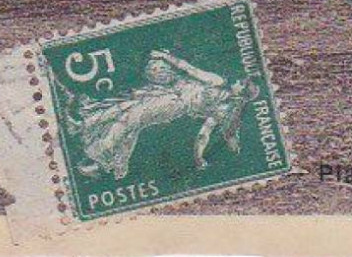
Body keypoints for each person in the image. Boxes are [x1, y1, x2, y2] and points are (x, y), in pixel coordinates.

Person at [63, 48, 260, 181]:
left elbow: (188, 69)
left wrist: (165, 57)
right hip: (170, 94)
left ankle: (97, 157)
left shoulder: (217, 82)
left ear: (240, 92)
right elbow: (203, 135)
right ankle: (86, 129)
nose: (237, 81)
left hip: (173, 102)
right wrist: (199, 158)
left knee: (130, 117)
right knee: (127, 107)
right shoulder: (222, 110)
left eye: (241, 83)